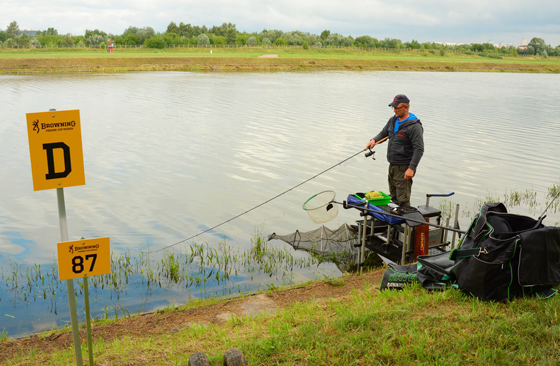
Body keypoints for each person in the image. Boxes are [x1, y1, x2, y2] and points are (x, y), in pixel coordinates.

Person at [365, 94, 424, 207]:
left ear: (406, 107)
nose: (394, 111)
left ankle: (404, 222)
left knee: (403, 199)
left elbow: (419, 149)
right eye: (393, 108)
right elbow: (384, 133)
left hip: (404, 167)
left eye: (397, 108)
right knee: (393, 197)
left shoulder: (414, 126)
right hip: (392, 164)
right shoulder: (393, 120)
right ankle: (393, 222)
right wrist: (374, 140)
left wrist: (411, 168)